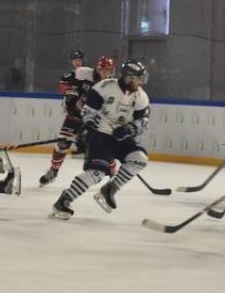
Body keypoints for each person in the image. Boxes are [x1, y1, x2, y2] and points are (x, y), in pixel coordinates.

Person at [50, 59, 150, 220]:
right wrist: (88, 126)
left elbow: (143, 122)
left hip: (122, 138)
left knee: (139, 159)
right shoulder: (105, 87)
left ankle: (110, 189)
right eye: (137, 78)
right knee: (95, 173)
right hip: (101, 136)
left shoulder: (141, 97)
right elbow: (88, 111)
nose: (140, 82)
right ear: (128, 77)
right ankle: (63, 201)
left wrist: (129, 129)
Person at [39, 56, 116, 186]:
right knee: (62, 143)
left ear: (112, 71)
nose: (105, 73)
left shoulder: (113, 85)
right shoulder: (84, 73)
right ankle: (53, 171)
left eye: (108, 71)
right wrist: (71, 98)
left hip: (95, 120)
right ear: (98, 69)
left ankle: (112, 172)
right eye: (103, 70)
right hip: (75, 115)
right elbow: (68, 83)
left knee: (104, 146)